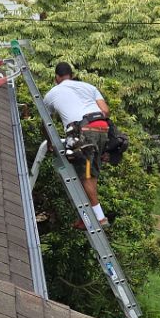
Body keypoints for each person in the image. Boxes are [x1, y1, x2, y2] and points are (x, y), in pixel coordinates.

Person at [41, 61, 111, 221]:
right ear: (71, 76)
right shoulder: (89, 87)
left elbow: (45, 124)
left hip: (83, 132)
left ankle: (99, 218)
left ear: (56, 77)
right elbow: (105, 111)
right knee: (90, 174)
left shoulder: (52, 94)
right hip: (102, 128)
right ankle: (88, 217)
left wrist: (49, 141)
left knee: (84, 175)